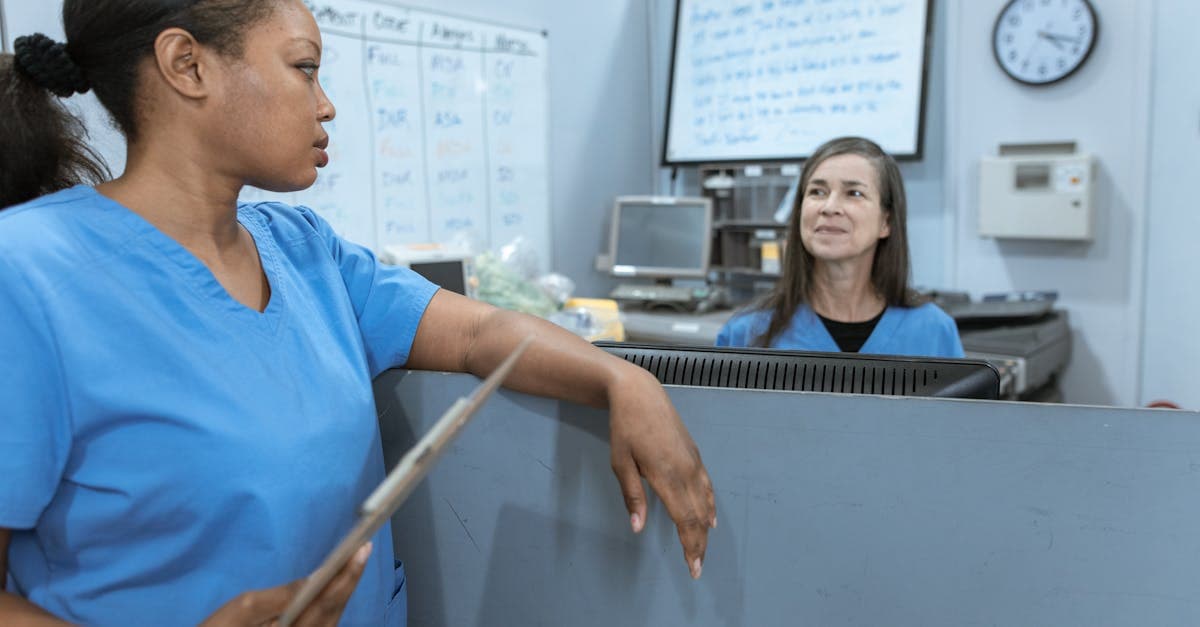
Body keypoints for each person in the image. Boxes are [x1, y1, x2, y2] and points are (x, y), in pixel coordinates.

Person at [0, 1, 716, 625]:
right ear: (188, 66)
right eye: (304, 68)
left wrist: (622, 380)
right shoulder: (28, 272)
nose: (326, 105)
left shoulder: (305, 251)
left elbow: (479, 332)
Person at [716, 136, 963, 357]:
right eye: (817, 192)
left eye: (854, 193)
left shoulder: (933, 331)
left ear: (886, 222)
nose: (830, 207)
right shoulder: (746, 332)